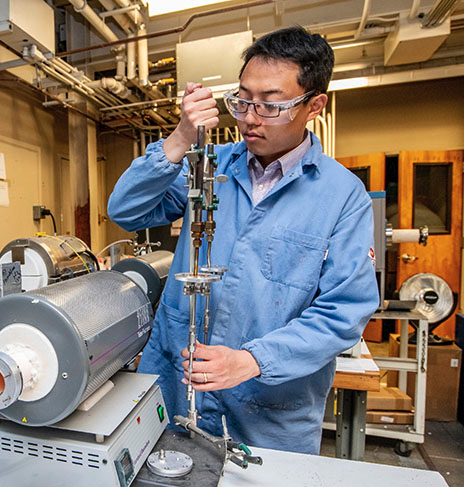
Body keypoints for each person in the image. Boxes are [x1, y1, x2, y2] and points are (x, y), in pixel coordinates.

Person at [107, 26, 379, 454]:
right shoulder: (207, 167)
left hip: (269, 413)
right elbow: (126, 211)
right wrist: (179, 138)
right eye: (243, 100)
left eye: (271, 105)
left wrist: (253, 360)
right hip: (179, 393)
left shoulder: (342, 196)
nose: (249, 117)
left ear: (314, 106)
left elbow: (345, 310)